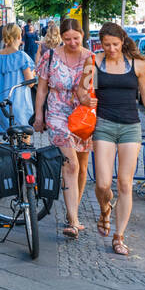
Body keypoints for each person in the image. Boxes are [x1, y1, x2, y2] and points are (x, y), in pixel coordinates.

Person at [89, 22, 145, 255]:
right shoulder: (95, 62)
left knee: (124, 182)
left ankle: (119, 236)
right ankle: (105, 210)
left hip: (130, 127)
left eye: (115, 44)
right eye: (106, 45)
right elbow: (83, 90)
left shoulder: (138, 64)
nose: (111, 49)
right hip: (103, 125)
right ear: (100, 44)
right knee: (102, 184)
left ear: (122, 41)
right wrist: (84, 96)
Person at [34, 17, 94, 237]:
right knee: (71, 164)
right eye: (67, 39)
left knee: (82, 165)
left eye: (76, 38)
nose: (71, 43)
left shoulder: (90, 57)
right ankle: (74, 220)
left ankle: (72, 212)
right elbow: (41, 89)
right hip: (57, 113)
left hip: (84, 115)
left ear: (82, 36)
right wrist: (39, 115)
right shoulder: (51, 57)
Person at [0, 23, 36, 131]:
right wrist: (34, 73)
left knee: (9, 142)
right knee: (24, 142)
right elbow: (30, 83)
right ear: (19, 37)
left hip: (1, 105)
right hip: (18, 104)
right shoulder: (22, 56)